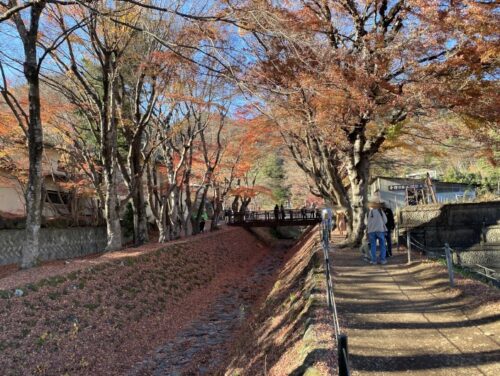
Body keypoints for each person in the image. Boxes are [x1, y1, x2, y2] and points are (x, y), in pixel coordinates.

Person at [367, 197, 388, 265]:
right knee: (382, 245)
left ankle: (374, 260)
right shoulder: (380, 211)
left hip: (371, 231)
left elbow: (366, 222)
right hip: (380, 230)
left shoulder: (369, 212)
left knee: (373, 246)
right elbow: (385, 221)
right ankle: (382, 260)